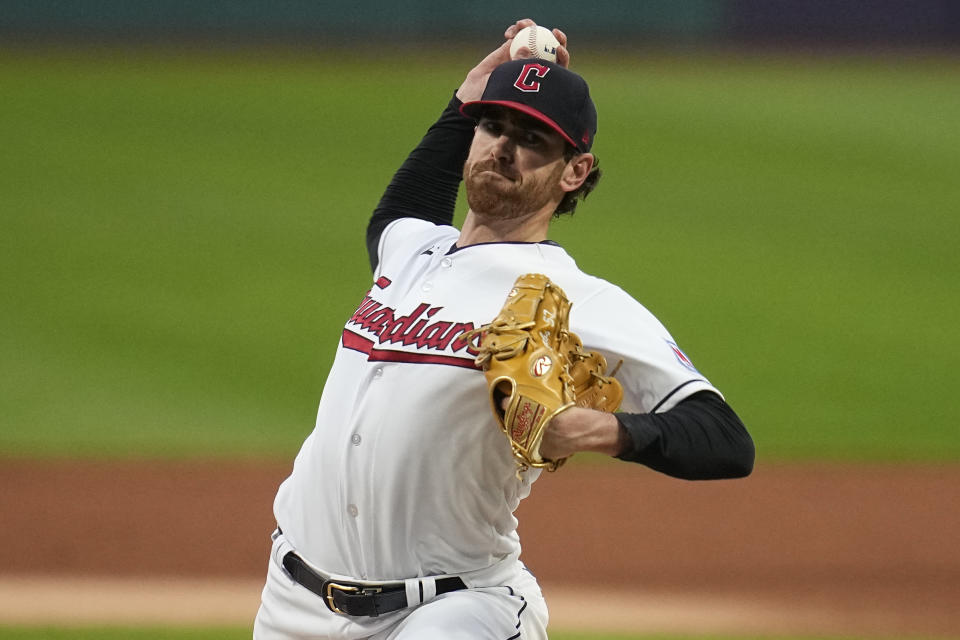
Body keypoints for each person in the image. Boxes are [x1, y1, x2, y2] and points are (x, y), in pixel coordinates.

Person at [253, 19, 754, 640]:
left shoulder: (577, 297)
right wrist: (467, 94)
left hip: (452, 609)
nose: (503, 148)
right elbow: (399, 209)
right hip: (293, 604)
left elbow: (726, 439)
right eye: (493, 127)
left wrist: (597, 428)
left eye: (533, 140)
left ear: (574, 172)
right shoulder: (410, 250)